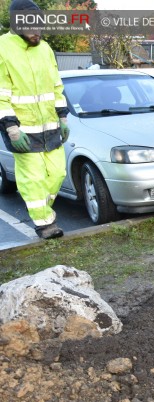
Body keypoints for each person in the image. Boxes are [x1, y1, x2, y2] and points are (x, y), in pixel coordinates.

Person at [0, 0, 69, 239]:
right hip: (21, 130)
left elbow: (56, 86)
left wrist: (63, 117)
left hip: (50, 127)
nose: (36, 30)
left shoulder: (46, 49)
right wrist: (10, 128)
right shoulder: (2, 48)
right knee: (34, 177)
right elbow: (1, 94)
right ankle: (45, 224)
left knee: (58, 172)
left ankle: (42, 209)